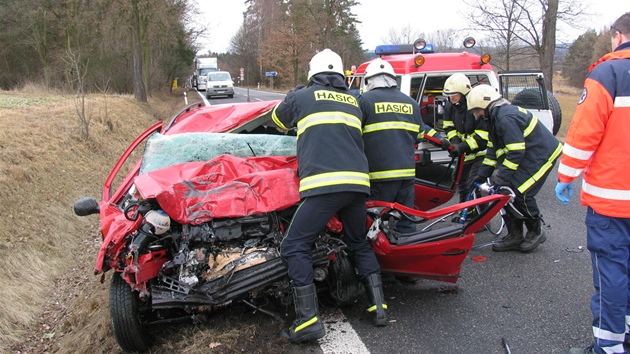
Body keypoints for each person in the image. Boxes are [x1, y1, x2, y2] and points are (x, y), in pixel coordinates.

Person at [269, 49, 387, 344]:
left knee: (294, 246)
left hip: (325, 186)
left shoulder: (302, 96)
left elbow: (277, 120)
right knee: (358, 242)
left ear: (312, 73)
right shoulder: (354, 101)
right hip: (358, 185)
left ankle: (307, 321)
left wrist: (296, 94)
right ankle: (379, 308)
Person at [557, 13, 630, 354]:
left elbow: (585, 134)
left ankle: (609, 346)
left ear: (617, 36)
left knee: (612, 272)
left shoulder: (609, 73)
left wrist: (566, 175)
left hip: (613, 199)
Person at [468, 84, 562, 253]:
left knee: (521, 192)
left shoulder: (505, 118)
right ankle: (515, 235)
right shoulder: (493, 119)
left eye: (477, 110)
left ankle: (536, 230)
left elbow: (516, 152)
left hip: (542, 154)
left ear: (484, 105)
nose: (477, 115)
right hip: (528, 154)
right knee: (503, 191)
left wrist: (503, 175)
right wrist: (482, 176)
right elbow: (492, 150)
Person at [358, 58, 440, 234]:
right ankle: (408, 255)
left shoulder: (364, 101)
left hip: (377, 174)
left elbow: (353, 135)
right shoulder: (410, 102)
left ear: (369, 80)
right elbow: (418, 135)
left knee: (373, 222)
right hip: (407, 174)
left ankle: (376, 260)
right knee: (406, 220)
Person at [441, 73, 489, 214]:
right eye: (449, 94)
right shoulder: (451, 106)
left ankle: (479, 217)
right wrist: (455, 143)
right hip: (465, 153)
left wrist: (461, 147)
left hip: (480, 153)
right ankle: (465, 211)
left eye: (454, 94)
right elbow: (448, 126)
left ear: (463, 92)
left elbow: (482, 137)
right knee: (461, 182)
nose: (451, 97)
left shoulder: (475, 106)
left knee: (474, 184)